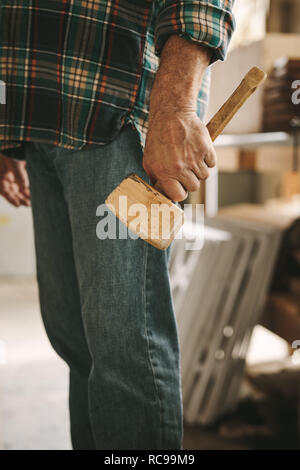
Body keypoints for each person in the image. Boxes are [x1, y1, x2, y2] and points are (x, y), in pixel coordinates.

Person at [0, 1, 235, 450]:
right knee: (78, 344)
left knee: (126, 354)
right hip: (38, 113)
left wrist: (176, 105)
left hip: (116, 111)